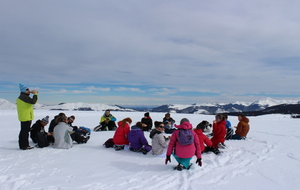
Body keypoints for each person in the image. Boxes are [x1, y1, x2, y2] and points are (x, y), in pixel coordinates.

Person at [16, 83, 38, 150]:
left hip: (24, 116)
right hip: (26, 117)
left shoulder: (23, 97)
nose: (29, 90)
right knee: (25, 132)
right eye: (27, 89)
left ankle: (22, 145)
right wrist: (35, 94)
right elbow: (33, 101)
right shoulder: (24, 97)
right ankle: (25, 146)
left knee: (23, 132)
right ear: (23, 90)